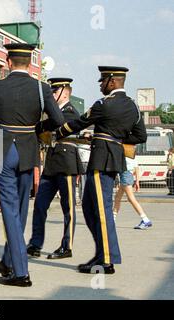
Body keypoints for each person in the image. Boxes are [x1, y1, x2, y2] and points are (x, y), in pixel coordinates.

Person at [0, 43, 65, 287]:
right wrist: (37, 128)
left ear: (8, 62)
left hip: (3, 147)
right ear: (29, 63)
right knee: (19, 208)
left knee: (9, 210)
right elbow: (58, 120)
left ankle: (21, 272)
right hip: (28, 150)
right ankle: (8, 261)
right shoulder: (42, 88)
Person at [56, 66, 147, 274]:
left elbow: (79, 122)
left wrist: (58, 132)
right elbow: (140, 136)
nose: (100, 85)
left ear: (113, 82)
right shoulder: (133, 106)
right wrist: (113, 138)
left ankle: (106, 259)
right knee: (89, 206)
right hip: (112, 156)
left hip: (101, 159)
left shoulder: (103, 104)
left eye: (103, 81)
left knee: (101, 209)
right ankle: (102, 252)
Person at [28, 78, 83, 260]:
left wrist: (43, 125)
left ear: (65, 92)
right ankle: (35, 243)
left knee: (68, 208)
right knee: (40, 204)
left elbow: (51, 125)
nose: (51, 94)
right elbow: (42, 127)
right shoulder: (55, 113)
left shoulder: (71, 112)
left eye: (55, 91)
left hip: (66, 163)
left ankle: (67, 246)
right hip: (52, 163)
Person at [113, 157, 152, 229]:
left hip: (125, 175)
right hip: (128, 175)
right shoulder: (131, 154)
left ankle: (145, 219)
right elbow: (136, 167)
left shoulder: (124, 152)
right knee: (117, 198)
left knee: (131, 199)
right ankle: (113, 219)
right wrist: (137, 181)